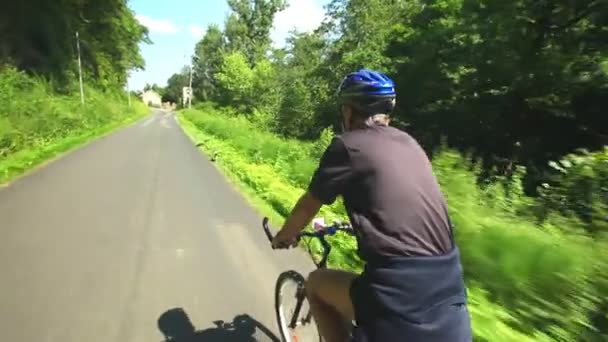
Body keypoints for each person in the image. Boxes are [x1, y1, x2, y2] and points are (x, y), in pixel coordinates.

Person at [271, 69, 472, 342]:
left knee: (317, 285)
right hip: (451, 294)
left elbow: (308, 205)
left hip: (399, 295)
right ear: (387, 112)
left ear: (347, 111)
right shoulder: (410, 144)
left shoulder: (348, 146)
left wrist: (285, 235)